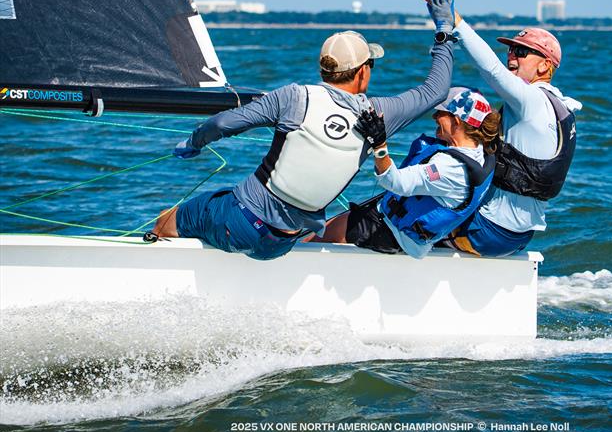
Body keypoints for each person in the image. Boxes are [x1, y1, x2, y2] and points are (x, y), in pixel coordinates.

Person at [150, 22, 455, 260]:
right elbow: (436, 90)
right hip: (281, 243)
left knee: (167, 221)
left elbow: (222, 123)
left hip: (239, 222)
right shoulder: (378, 115)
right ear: (363, 72)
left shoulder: (294, 96)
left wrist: (194, 143)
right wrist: (443, 33)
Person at [423, 0, 582, 257]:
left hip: (487, 231)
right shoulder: (562, 106)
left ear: (545, 66)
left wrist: (454, 23)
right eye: (510, 48)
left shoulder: (531, 100)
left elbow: (492, 70)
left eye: (522, 51)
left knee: (395, 218)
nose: (512, 55)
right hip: (519, 236)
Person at [319, 87, 500, 259]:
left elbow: (394, 182)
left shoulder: (449, 168)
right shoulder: (481, 152)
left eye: (441, 113)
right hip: (412, 237)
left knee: (319, 235)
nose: (435, 116)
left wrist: (379, 144)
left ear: (457, 121)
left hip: (391, 233)